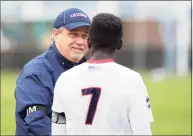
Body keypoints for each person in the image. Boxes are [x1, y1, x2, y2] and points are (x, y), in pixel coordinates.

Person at [52, 13, 154, 135]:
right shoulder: (133, 80)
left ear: (89, 42)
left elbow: (58, 129)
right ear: (120, 44)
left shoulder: (64, 79)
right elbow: (142, 130)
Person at [14, 8, 91, 135]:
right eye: (73, 34)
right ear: (55, 34)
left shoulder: (89, 71)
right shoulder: (36, 71)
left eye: (85, 36)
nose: (80, 42)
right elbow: (36, 119)